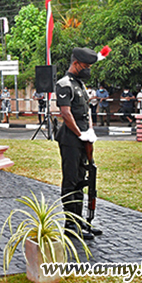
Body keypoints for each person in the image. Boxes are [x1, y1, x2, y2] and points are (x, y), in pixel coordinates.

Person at [55, 47, 102, 240]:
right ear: (76, 63)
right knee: (71, 181)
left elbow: (87, 111)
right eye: (86, 66)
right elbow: (66, 114)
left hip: (83, 138)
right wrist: (80, 134)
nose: (88, 69)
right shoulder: (64, 83)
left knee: (83, 179)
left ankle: (79, 218)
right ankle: (69, 225)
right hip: (70, 139)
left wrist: (89, 131)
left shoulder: (80, 84)